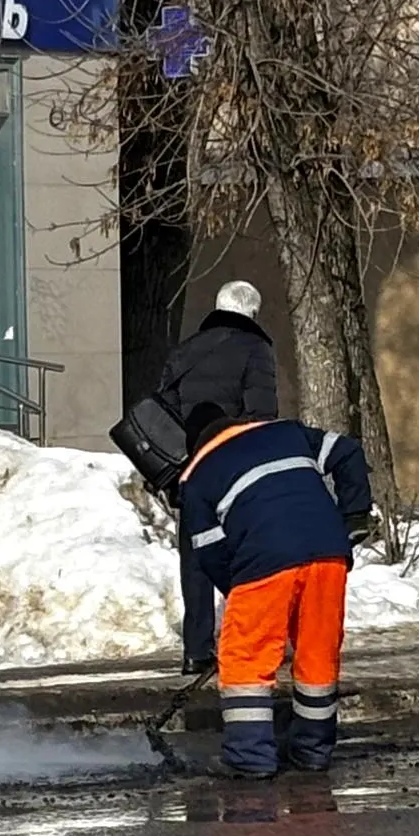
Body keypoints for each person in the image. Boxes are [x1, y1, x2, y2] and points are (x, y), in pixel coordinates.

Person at [176, 401, 373, 779]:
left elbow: (210, 552)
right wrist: (355, 515)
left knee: (245, 658)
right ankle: (313, 751)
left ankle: (250, 756)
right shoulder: (287, 431)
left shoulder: (198, 475)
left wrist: (241, 598)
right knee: (317, 653)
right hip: (329, 552)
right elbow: (348, 451)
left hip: (264, 557)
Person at [157, 280, 281, 676]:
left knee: (195, 558)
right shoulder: (255, 350)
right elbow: (262, 414)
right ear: (252, 314)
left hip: (192, 470)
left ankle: (196, 650)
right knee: (247, 555)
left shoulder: (184, 351)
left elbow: (166, 413)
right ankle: (246, 641)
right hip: (236, 469)